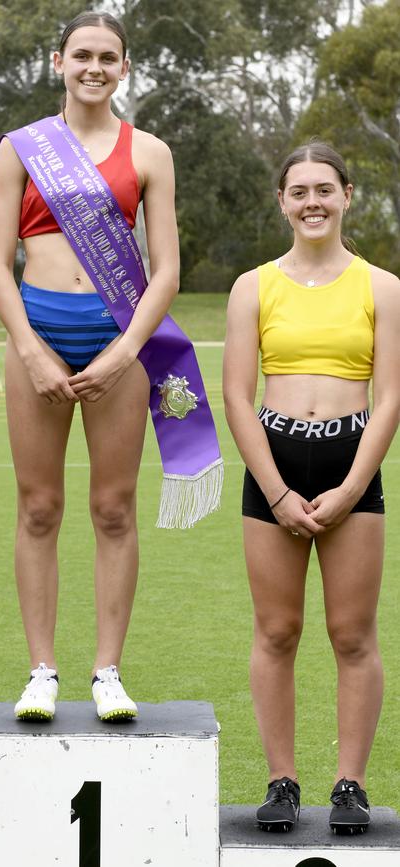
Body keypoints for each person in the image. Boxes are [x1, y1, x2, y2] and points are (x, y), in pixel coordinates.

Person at [0, 11, 185, 722]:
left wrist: (126, 350)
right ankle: (42, 669)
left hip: (117, 342)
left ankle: (107, 671)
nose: (94, 67)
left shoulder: (151, 153)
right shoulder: (22, 147)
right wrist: (31, 350)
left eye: (108, 57)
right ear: (58, 61)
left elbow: (166, 269)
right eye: (82, 55)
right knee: (38, 508)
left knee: (113, 508)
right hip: (37, 338)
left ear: (124, 67)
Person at [223, 141, 399, 835]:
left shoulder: (382, 287)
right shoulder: (252, 286)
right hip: (275, 468)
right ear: (283, 201)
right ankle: (282, 780)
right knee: (277, 629)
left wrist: (355, 485)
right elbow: (237, 396)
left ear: (347, 195)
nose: (313, 201)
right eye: (299, 191)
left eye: (325, 188)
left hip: (352, 467)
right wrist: (275, 492)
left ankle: (349, 784)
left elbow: (389, 397)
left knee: (352, 634)